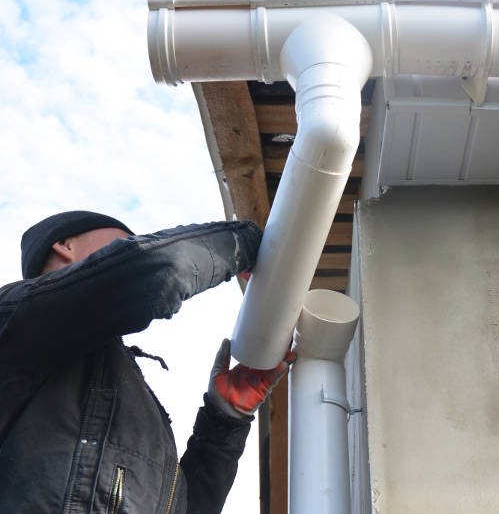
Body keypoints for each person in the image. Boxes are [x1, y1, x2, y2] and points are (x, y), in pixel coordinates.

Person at [0, 211, 295, 514]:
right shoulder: (14, 315)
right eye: (124, 242)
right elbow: (151, 270)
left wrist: (223, 420)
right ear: (64, 244)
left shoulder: (115, 385)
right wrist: (242, 241)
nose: (133, 247)